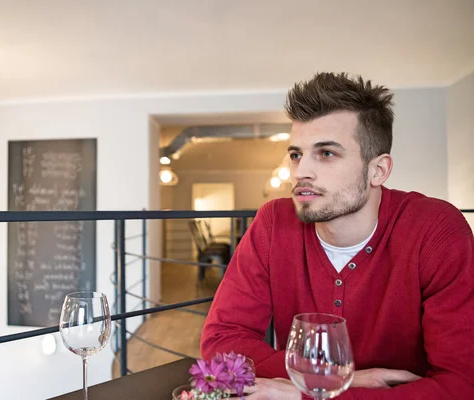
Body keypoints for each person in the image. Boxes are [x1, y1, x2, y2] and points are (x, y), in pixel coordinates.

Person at [200, 72, 474, 399]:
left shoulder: (436, 230)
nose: (301, 171)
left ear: (378, 170)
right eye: (296, 154)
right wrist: (337, 382)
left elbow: (461, 384)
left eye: (326, 153)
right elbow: (222, 342)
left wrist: (303, 394)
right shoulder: (273, 223)